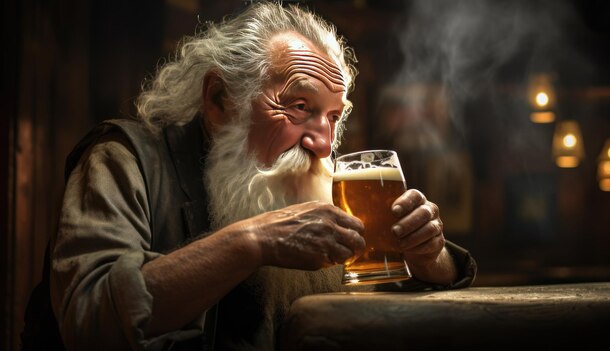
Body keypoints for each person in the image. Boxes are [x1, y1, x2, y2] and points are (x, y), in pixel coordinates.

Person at [22, 1, 477, 350]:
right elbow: (88, 319)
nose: (322, 141)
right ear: (220, 100)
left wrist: (428, 256)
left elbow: (389, 285)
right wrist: (252, 241)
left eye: (333, 117)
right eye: (299, 107)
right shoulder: (124, 160)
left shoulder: (323, 185)